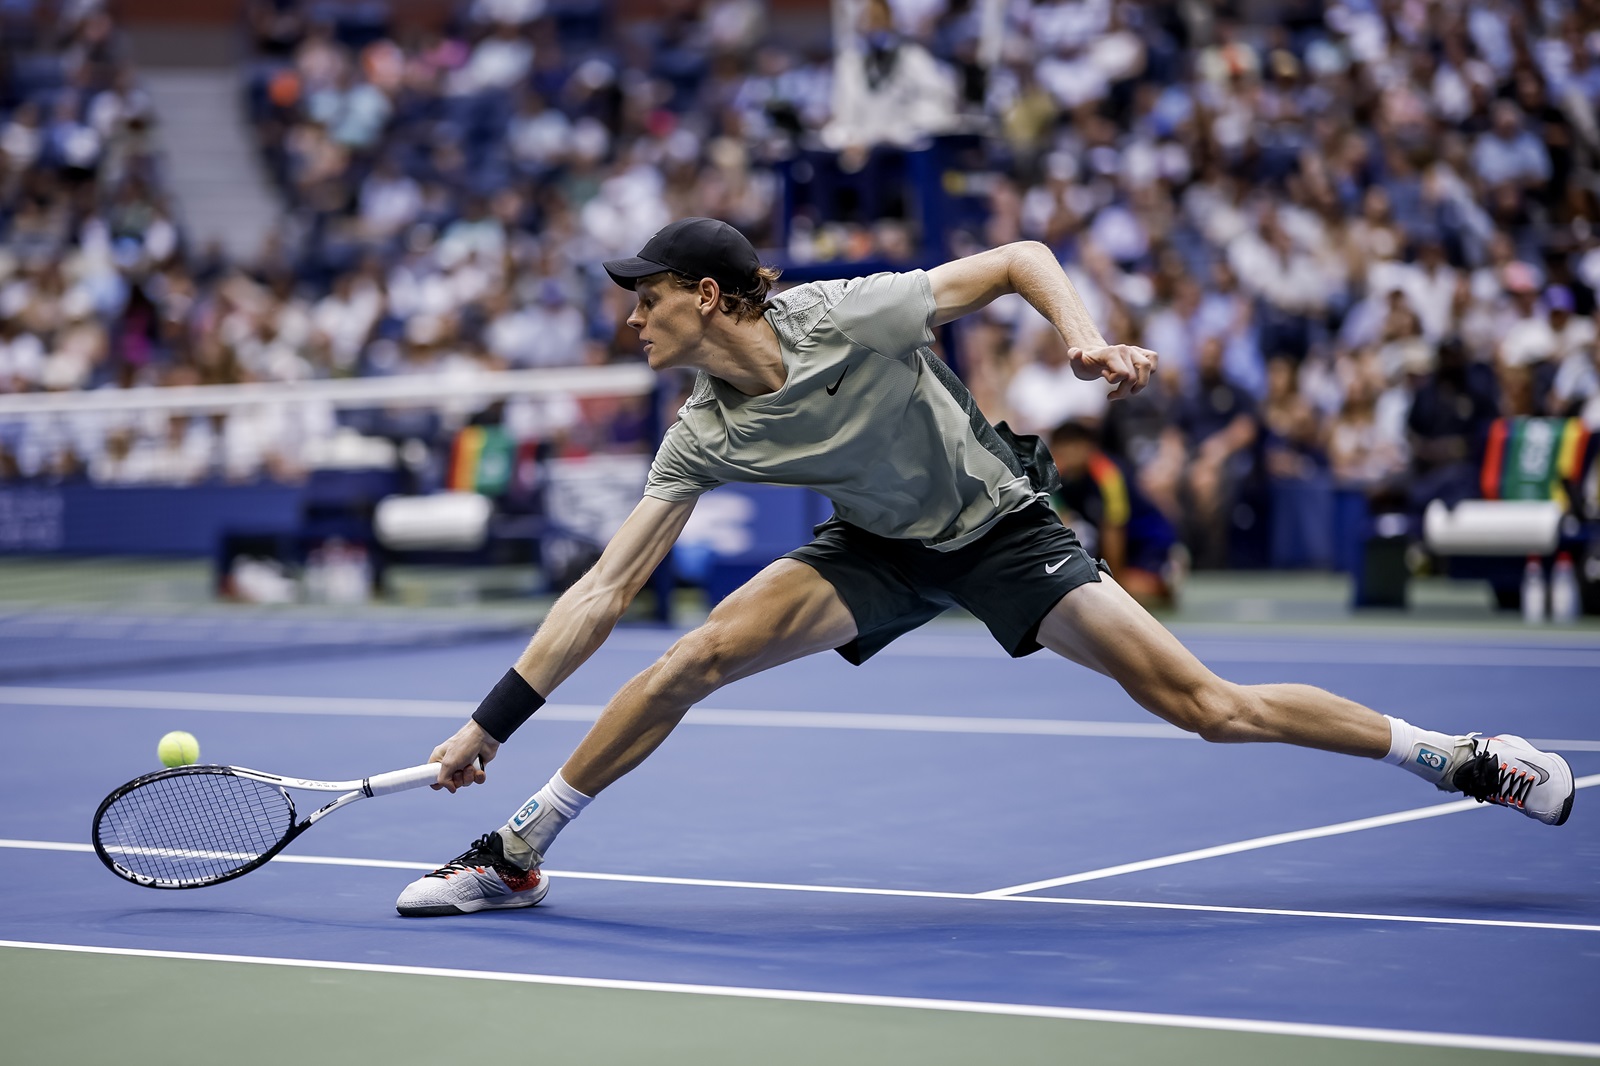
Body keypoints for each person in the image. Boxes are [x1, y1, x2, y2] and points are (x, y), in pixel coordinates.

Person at [395, 218, 1576, 917]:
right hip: (875, 546)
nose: (629, 324)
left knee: (1208, 707)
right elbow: (602, 588)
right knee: (690, 655)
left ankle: (1461, 757)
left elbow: (1019, 254)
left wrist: (1080, 339)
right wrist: (490, 721)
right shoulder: (701, 428)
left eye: (644, 302)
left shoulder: (852, 314)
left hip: (1003, 528)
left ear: (708, 296)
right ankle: (517, 850)